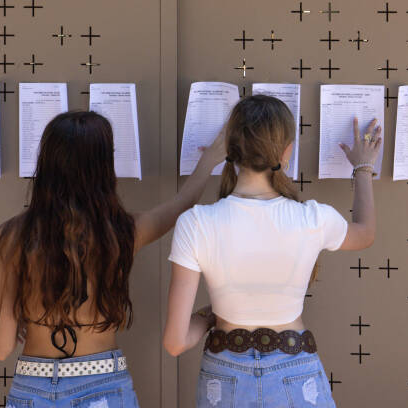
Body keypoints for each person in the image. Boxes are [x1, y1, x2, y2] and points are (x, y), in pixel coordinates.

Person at [0, 110, 226, 408]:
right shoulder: (122, 233)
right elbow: (181, 205)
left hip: (33, 386)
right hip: (104, 383)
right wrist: (210, 160)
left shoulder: (12, 237)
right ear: (102, 168)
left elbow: (1, 348)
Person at [163, 95, 381, 408]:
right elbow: (365, 233)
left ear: (231, 149)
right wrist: (363, 167)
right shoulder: (312, 218)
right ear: (287, 151)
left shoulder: (196, 223)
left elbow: (175, 343)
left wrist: (210, 315)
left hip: (223, 376)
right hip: (295, 370)